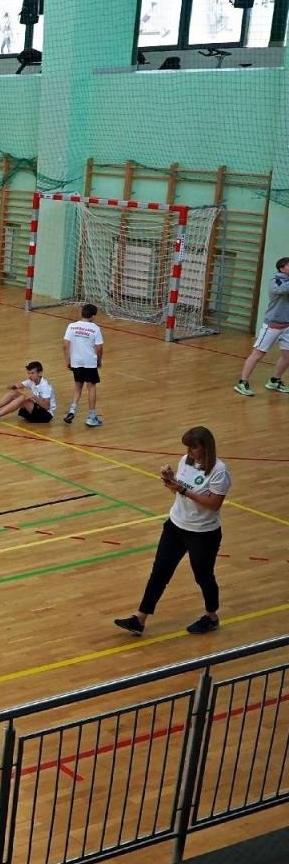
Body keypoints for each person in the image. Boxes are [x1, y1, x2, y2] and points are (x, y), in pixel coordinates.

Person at [114, 426, 230, 638]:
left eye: (193, 447)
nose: (189, 451)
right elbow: (178, 491)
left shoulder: (219, 471)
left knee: (203, 576)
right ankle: (139, 619)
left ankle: (211, 617)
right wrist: (170, 481)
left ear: (205, 447)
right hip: (176, 526)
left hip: (202, 534)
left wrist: (184, 490)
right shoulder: (186, 460)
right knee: (159, 572)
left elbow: (214, 504)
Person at [236, 257, 289, 396]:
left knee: (288, 356)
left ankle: (275, 380)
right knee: (258, 354)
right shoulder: (275, 281)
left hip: (287, 326)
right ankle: (242, 382)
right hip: (272, 326)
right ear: (282, 268)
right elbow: (282, 290)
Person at [0, 361, 56, 426]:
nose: (29, 376)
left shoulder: (45, 386)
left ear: (40, 373)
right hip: (34, 411)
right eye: (28, 373)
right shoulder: (31, 381)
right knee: (14, 393)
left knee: (23, 398)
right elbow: (9, 387)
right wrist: (14, 385)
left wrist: (34, 397)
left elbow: (46, 406)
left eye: (32, 373)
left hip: (45, 416)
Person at [62, 303, 104, 427]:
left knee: (77, 386)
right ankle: (91, 417)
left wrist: (68, 360)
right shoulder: (95, 328)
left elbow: (65, 345)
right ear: (93, 316)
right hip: (90, 362)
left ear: (82, 313)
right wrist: (99, 360)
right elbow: (99, 347)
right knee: (91, 387)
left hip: (76, 361)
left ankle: (72, 410)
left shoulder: (72, 326)